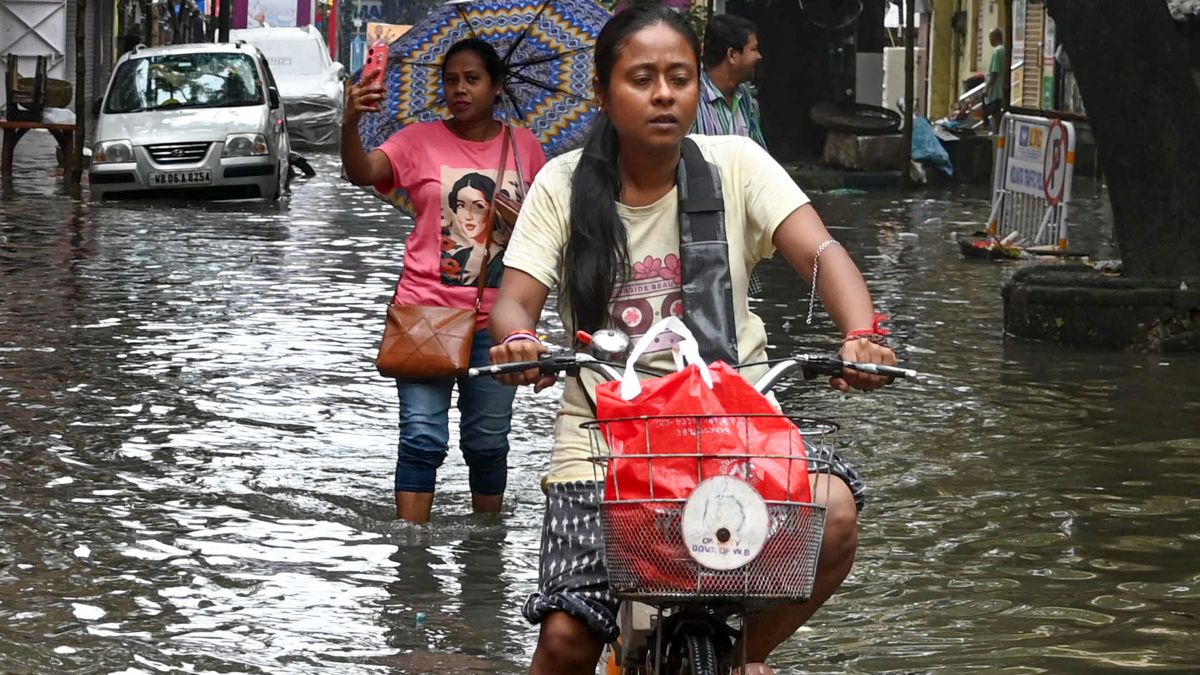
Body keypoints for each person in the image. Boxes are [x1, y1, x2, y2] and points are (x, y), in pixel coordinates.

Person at [487, 6, 896, 674]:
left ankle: (736, 657)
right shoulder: (561, 184)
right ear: (602, 91)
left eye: (678, 76)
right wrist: (520, 344)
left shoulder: (737, 164)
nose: (663, 93)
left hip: (733, 429)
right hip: (603, 440)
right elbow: (513, 302)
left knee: (837, 515)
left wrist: (862, 334)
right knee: (565, 638)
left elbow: (820, 249)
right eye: (641, 77)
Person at [341, 38, 548, 523]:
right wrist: (349, 121)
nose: (460, 89)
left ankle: (486, 547)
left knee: (488, 442)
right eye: (451, 79)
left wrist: (519, 218)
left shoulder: (526, 148)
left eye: (472, 79)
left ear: (497, 87)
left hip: (499, 322)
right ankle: (410, 554)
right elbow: (361, 172)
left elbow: (549, 227)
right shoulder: (416, 140)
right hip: (424, 311)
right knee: (420, 436)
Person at [692, 13, 766, 148]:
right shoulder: (692, 100)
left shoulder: (744, 98)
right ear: (732, 55)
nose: (759, 56)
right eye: (754, 49)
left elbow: (759, 156)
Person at [983, 28, 1007, 132]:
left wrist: (987, 88)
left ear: (995, 37)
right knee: (998, 115)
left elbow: (994, 72)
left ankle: (996, 135)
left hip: (996, 90)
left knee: (995, 115)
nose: (990, 40)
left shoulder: (997, 51)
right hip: (1002, 89)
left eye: (991, 38)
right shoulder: (1004, 49)